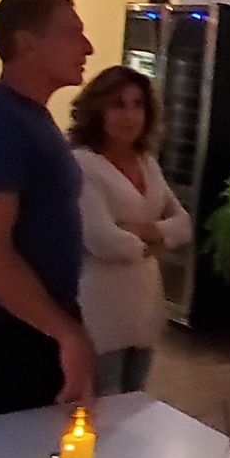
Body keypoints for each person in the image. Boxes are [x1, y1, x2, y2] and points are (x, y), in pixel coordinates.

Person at [0, 0, 95, 420]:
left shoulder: (31, 117)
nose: (87, 47)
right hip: (5, 335)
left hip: (34, 326)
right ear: (26, 43)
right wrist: (67, 333)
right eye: (73, 33)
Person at [68, 66, 191, 396]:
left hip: (143, 306)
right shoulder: (82, 163)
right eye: (118, 104)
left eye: (138, 105)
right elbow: (102, 240)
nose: (129, 115)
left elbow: (184, 224)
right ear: (98, 110)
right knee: (104, 401)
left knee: (135, 398)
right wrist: (154, 242)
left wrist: (145, 231)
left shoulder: (147, 163)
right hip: (100, 307)